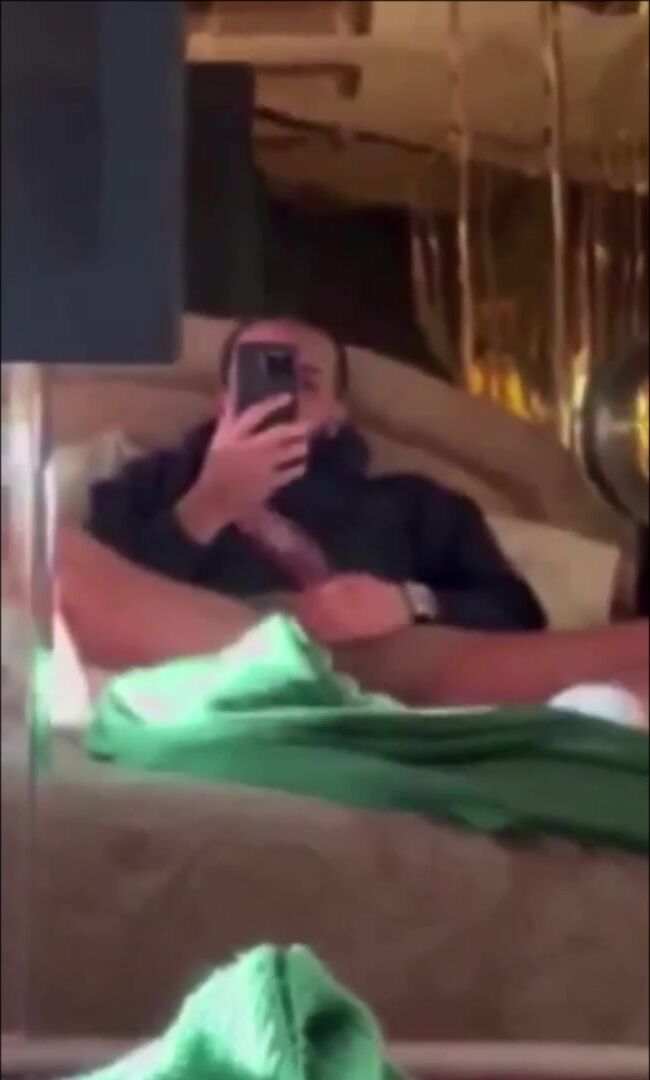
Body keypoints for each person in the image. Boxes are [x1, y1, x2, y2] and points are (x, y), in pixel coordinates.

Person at [86, 317, 547, 644]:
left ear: (336, 413)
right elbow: (88, 608)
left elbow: (518, 617)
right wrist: (203, 508)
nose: (282, 399)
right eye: (262, 379)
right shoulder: (148, 484)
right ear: (222, 400)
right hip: (203, 673)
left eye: (305, 383)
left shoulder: (414, 505)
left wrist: (410, 603)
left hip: (368, 683)